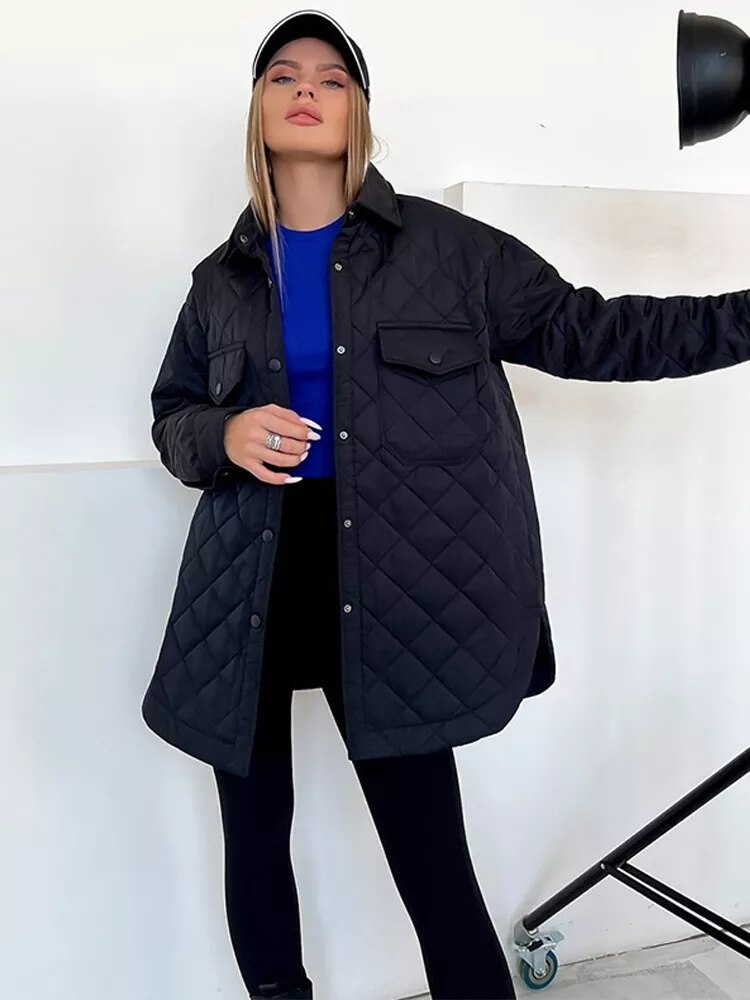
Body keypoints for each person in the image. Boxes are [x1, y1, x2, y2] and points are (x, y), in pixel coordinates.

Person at [140, 9, 750, 1000]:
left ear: (360, 111)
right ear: (256, 110)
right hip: (247, 582)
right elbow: (172, 417)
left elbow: (599, 333)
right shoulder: (220, 282)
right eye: (283, 74)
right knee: (253, 836)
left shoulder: (448, 251)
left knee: (430, 854)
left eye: (332, 77)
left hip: (392, 584)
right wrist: (226, 434)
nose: (306, 88)